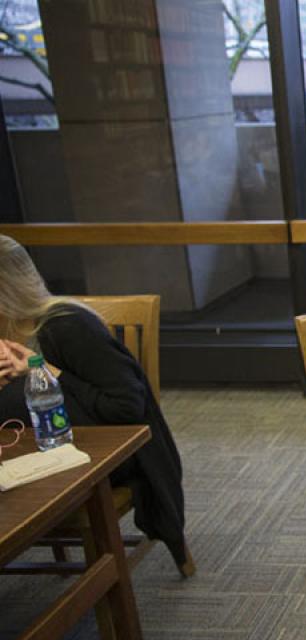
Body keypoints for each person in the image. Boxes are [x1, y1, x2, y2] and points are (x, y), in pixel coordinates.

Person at [0, 235, 189, 569]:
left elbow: (127, 408)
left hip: (111, 456)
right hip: (36, 454)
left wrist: (45, 371)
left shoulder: (66, 325)